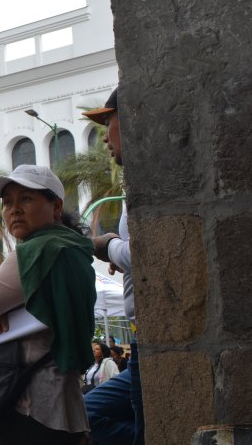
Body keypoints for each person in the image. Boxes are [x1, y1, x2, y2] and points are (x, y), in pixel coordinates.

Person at [0, 165, 95, 444]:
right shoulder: (76, 250)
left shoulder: (35, 252)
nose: (14, 209)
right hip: (67, 403)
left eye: (26, 199)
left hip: (31, 406)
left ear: (56, 206)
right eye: (8, 202)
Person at [84, 88, 142, 445]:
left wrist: (109, 246)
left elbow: (151, 255)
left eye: (109, 122)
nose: (105, 136)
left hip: (149, 339)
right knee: (89, 413)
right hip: (142, 338)